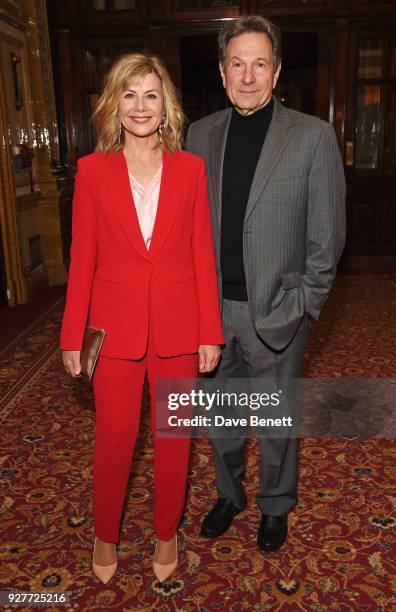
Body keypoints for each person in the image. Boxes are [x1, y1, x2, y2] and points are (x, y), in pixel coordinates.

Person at [60, 53, 224, 584]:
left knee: (175, 443)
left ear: (166, 105)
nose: (140, 106)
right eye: (129, 94)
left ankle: (165, 532)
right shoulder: (91, 171)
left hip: (179, 329)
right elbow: (82, 257)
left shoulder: (191, 169)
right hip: (114, 332)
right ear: (114, 103)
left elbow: (203, 254)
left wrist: (209, 331)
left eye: (150, 94)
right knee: (113, 439)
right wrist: (70, 336)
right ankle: (105, 535)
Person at [186, 16, 346, 552]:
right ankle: (229, 495)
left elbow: (328, 236)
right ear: (222, 71)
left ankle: (275, 504)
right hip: (212, 311)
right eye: (237, 63)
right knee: (222, 416)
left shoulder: (312, 136)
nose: (247, 76)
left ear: (276, 72)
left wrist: (304, 304)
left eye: (259, 64)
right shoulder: (199, 135)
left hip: (278, 311)